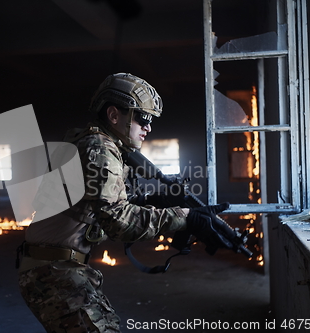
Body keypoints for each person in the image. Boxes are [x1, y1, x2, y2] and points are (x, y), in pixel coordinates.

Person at [17, 73, 231, 332]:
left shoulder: (95, 143)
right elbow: (116, 220)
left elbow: (103, 205)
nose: (148, 127)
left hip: (59, 268)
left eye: (150, 120)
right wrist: (183, 216)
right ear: (114, 115)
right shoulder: (99, 149)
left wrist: (159, 202)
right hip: (54, 272)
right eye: (142, 118)